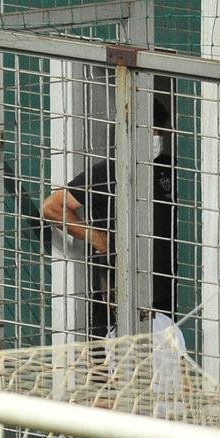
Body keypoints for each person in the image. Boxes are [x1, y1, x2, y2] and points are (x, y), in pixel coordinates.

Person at [40, 100, 176, 337]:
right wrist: (100, 240)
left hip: (166, 285)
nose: (156, 136)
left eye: (158, 130)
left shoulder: (169, 169)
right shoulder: (112, 170)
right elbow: (53, 207)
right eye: (150, 129)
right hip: (120, 287)